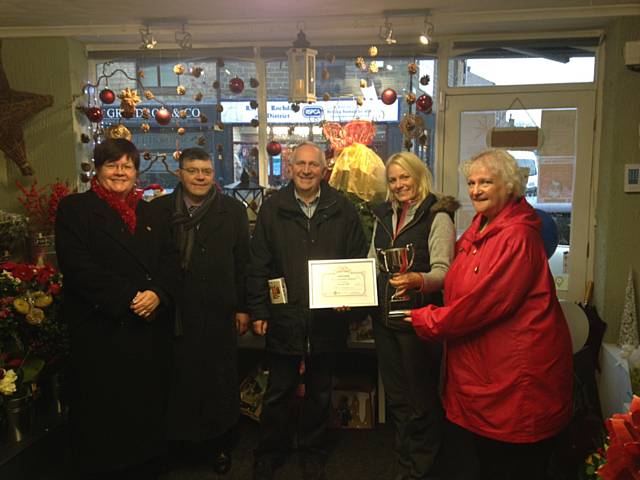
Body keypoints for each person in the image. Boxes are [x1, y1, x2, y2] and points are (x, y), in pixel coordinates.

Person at [407, 149, 573, 480]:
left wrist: (428, 319)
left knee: (511, 465)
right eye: (471, 182)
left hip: (516, 378)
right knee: (486, 460)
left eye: (486, 182)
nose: (476, 190)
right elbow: (461, 285)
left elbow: (480, 305)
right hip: (489, 371)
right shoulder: (481, 227)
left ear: (509, 187)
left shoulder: (517, 236)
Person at [55, 138, 180, 479]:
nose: (120, 172)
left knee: (147, 407)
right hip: (104, 328)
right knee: (106, 413)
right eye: (112, 164)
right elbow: (79, 267)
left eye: (127, 165)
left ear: (137, 172)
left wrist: (158, 293)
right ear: (97, 169)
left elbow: (170, 263)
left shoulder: (151, 211)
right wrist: (131, 297)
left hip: (148, 327)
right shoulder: (75, 209)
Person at [248, 141, 368, 480]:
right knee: (278, 392)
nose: (305, 170)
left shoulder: (342, 208)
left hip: (328, 319)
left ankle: (312, 450)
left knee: (320, 392)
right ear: (290, 167)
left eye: (312, 164)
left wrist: (352, 301)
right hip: (285, 316)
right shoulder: (273, 208)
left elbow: (357, 259)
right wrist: (259, 310)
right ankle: (269, 451)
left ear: (323, 168)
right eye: (299, 163)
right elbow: (258, 263)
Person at [152, 147, 251, 475]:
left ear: (213, 175)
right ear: (179, 174)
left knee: (218, 382)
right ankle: (177, 445)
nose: (199, 177)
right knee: (176, 381)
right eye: (192, 171)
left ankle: (219, 445)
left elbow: (243, 264)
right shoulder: (159, 210)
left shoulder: (233, 212)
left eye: (205, 172)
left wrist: (243, 308)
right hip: (173, 311)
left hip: (218, 311)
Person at [371, 152, 457, 480]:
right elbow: (370, 262)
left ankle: (423, 470)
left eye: (404, 177)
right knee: (397, 400)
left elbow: (444, 273)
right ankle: (405, 466)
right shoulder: (383, 215)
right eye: (393, 180)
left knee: (421, 401)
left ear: (420, 176)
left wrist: (417, 280)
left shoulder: (438, 216)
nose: (398, 185)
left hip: (418, 322)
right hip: (384, 320)